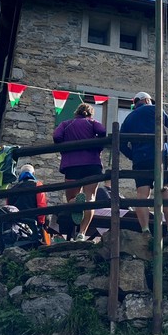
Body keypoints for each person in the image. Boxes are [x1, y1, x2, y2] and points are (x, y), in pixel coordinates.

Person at [119, 91, 168, 236]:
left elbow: (121, 145)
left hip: (140, 159)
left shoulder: (128, 118)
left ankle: (145, 230)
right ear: (147, 100)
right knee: (166, 191)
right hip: (160, 155)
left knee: (142, 195)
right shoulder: (153, 109)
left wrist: (133, 156)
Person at [53, 103, 107, 241]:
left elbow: (57, 137)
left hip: (72, 166)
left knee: (70, 199)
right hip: (92, 165)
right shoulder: (92, 123)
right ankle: (82, 233)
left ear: (76, 112)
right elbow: (102, 131)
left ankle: (76, 202)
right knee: (90, 198)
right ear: (90, 114)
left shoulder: (66, 124)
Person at [6, 165, 49, 244]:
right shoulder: (37, 185)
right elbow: (41, 205)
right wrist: (41, 223)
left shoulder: (12, 189)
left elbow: (8, 208)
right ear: (33, 173)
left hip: (17, 224)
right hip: (33, 223)